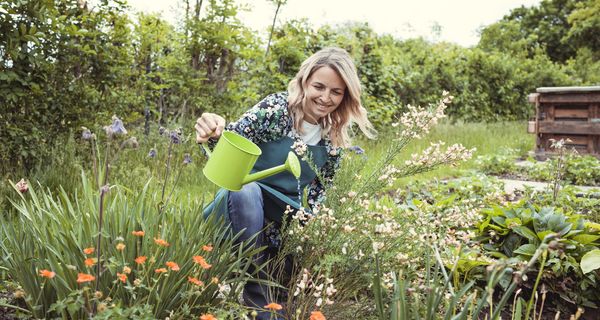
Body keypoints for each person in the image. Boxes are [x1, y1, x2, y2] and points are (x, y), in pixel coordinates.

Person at [195, 47, 377, 319]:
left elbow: (319, 198)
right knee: (248, 190)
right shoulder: (276, 110)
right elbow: (225, 146)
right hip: (237, 211)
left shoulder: (333, 139)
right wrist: (211, 131)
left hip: (281, 224)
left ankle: (277, 289)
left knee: (306, 251)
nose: (325, 98)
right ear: (305, 81)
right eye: (319, 86)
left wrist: (314, 243)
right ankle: (258, 293)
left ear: (345, 96)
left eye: (336, 92)